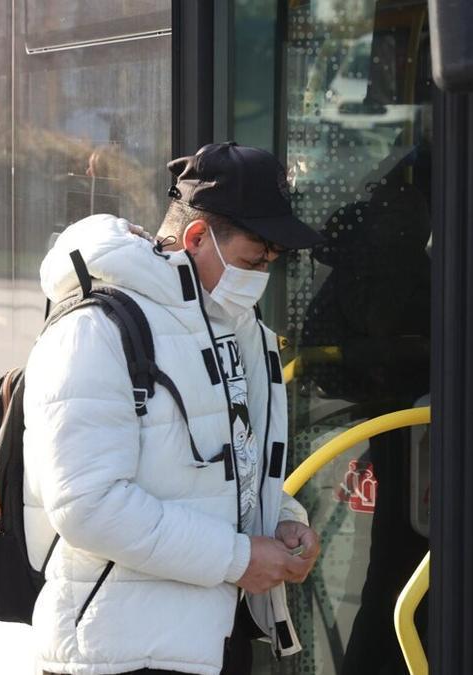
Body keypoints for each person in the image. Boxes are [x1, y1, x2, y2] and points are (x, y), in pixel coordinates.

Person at [22, 142, 324, 675]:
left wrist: (282, 523)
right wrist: (238, 558)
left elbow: (231, 466)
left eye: (272, 263)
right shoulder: (95, 327)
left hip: (211, 641)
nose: (262, 277)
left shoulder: (237, 326)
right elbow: (87, 505)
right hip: (118, 655)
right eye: (255, 260)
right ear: (196, 237)